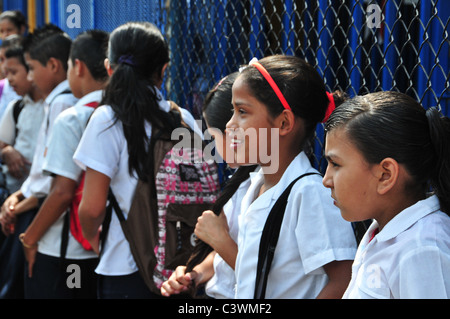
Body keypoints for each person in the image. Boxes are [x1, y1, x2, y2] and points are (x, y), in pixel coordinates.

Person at [73, 21, 200, 299]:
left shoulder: (108, 119)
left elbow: (92, 208)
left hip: (123, 266)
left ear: (109, 68)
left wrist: (95, 240)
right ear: (163, 71)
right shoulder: (183, 119)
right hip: (178, 267)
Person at [226, 55, 357, 299]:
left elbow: (344, 278)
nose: (230, 124)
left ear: (284, 122)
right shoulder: (256, 184)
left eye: (242, 111)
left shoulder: (308, 193)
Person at [322, 91, 450, 299]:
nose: (326, 180)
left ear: (385, 175)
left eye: (335, 164)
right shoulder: (383, 232)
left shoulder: (422, 248)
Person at [18, 30, 109, 299]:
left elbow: (62, 192)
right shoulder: (129, 114)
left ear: (77, 67)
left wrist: (30, 238)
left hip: (64, 249)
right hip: (107, 250)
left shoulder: (73, 117)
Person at [161, 72, 258, 299]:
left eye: (214, 137)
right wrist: (194, 274)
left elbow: (267, 277)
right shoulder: (243, 183)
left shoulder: (281, 189)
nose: (214, 147)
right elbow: (224, 257)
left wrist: (219, 239)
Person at [0, 24, 77, 298]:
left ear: (54, 65)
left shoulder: (62, 106)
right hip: (36, 214)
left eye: (30, 68)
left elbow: (56, 186)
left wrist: (27, 230)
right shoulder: (54, 102)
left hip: (50, 227)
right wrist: (18, 196)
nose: (29, 77)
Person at [0, 43, 45, 195]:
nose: (9, 79)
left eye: (13, 72)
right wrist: (6, 152)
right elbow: (2, 145)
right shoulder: (16, 108)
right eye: (6, 73)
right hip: (13, 192)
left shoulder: (55, 106)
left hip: (40, 194)